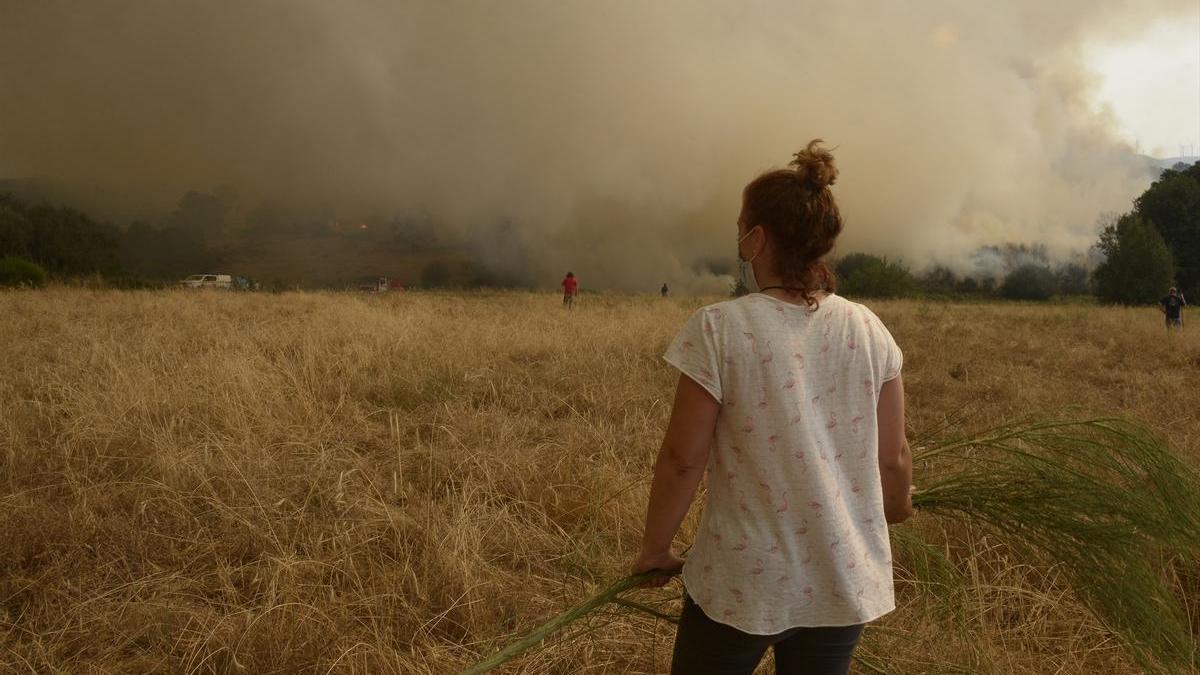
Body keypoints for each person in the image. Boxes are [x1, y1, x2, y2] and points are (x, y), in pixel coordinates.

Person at [633, 140, 913, 675]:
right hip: (839, 579)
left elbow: (681, 460)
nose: (738, 238)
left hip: (741, 584)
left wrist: (655, 550)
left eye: (741, 227)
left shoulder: (718, 329)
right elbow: (894, 456)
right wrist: (898, 506)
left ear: (755, 239)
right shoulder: (869, 329)